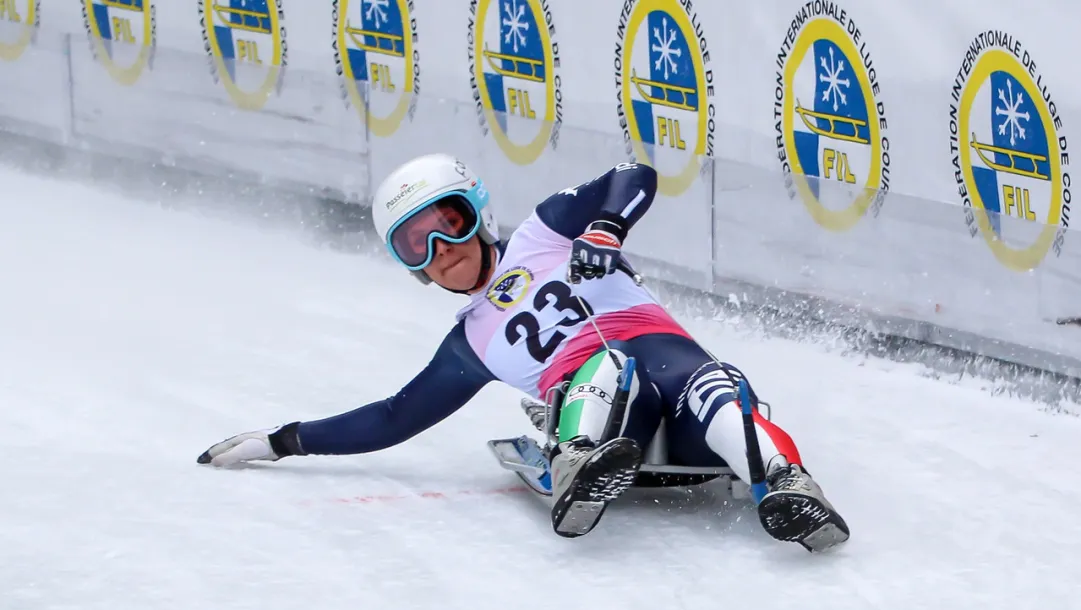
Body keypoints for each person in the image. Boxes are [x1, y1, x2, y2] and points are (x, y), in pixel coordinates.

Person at [197, 154, 850, 551]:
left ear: (475, 212)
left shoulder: (543, 234)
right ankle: (578, 464)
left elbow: (632, 174)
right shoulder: (469, 343)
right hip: (607, 411)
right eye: (414, 245)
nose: (441, 252)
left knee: (716, 384)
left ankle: (788, 486)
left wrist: (604, 226)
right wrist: (283, 441)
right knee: (606, 367)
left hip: (678, 399)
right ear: (410, 268)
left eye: (445, 224)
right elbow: (393, 417)